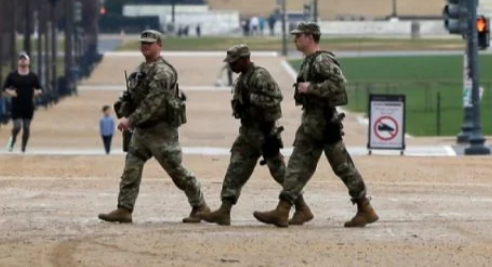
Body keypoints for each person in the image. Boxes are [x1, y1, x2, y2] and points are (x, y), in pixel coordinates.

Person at [254, 22, 377, 228]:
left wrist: (311, 88)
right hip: (313, 123)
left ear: (310, 37)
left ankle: (364, 207)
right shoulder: (310, 61)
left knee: (340, 166)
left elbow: (338, 85)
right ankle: (285, 210)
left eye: (299, 35)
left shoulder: (322, 61)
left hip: (323, 122)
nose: (295, 39)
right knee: (299, 165)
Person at [98, 30, 209, 224]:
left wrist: (130, 120)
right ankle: (124, 209)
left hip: (162, 131)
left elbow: (152, 102)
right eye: (143, 43)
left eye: (149, 43)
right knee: (131, 169)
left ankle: (200, 206)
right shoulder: (141, 69)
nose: (145, 46)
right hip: (142, 131)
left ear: (159, 45)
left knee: (176, 171)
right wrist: (124, 104)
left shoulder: (163, 72)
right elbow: (134, 95)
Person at [203, 45, 312, 227]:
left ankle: (302, 208)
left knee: (279, 171)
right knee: (236, 167)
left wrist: (251, 98)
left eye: (234, 62)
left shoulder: (260, 76)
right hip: (248, 133)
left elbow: (276, 98)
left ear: (245, 59)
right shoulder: (243, 78)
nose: (231, 66)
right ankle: (225, 209)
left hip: (264, 132)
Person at [3, 52, 43, 153]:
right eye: (21, 59)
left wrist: (36, 92)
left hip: (28, 106)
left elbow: (40, 89)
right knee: (17, 126)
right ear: (18, 62)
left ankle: (23, 147)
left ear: (28, 62)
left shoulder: (33, 76)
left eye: (25, 59)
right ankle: (12, 140)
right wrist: (10, 92)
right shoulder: (13, 75)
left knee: (26, 127)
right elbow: (4, 88)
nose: (23, 61)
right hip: (16, 105)